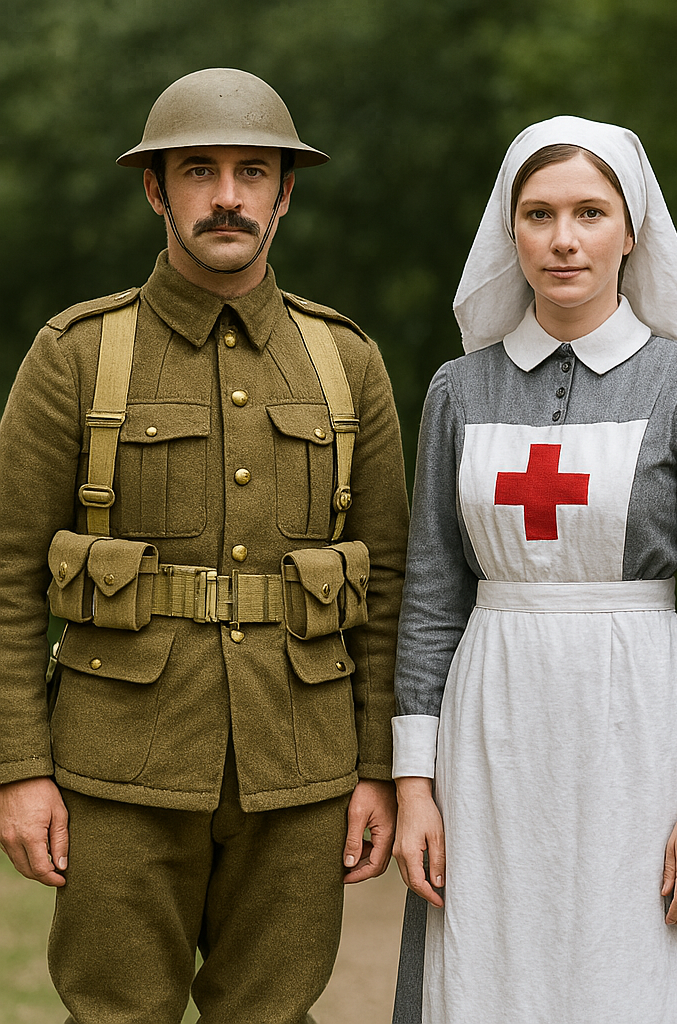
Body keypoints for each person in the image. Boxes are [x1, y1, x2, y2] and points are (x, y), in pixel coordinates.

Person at [0, 68, 409, 1022]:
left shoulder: (345, 363)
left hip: (299, 770)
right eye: (198, 171)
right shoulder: (76, 355)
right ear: (156, 188)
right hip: (115, 768)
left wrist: (377, 770)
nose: (227, 196)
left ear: (284, 192)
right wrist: (20, 768)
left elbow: (390, 586)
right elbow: (11, 575)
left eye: (251, 172)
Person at [388, 115, 677, 1024]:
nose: (564, 240)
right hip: (492, 731)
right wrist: (415, 785)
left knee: (636, 976)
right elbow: (433, 592)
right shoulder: (459, 388)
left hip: (641, 726)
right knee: (491, 974)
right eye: (540, 213)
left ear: (631, 229)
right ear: (508, 230)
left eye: (590, 212)